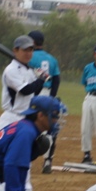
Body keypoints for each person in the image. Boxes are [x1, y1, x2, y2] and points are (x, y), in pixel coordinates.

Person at [27, 30, 61, 173]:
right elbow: (57, 80)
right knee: (49, 127)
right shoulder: (51, 59)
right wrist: (52, 98)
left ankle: (25, 158)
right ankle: (48, 161)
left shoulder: (29, 56)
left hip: (34, 94)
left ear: (32, 42)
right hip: (48, 94)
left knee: (29, 126)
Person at [0, 35, 48, 130]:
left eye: (30, 50)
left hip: (26, 118)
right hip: (12, 119)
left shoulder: (29, 71)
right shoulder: (11, 70)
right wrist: (41, 79)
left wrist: (41, 80)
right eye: (25, 50)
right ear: (15, 51)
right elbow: (25, 90)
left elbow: (35, 92)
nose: (28, 53)